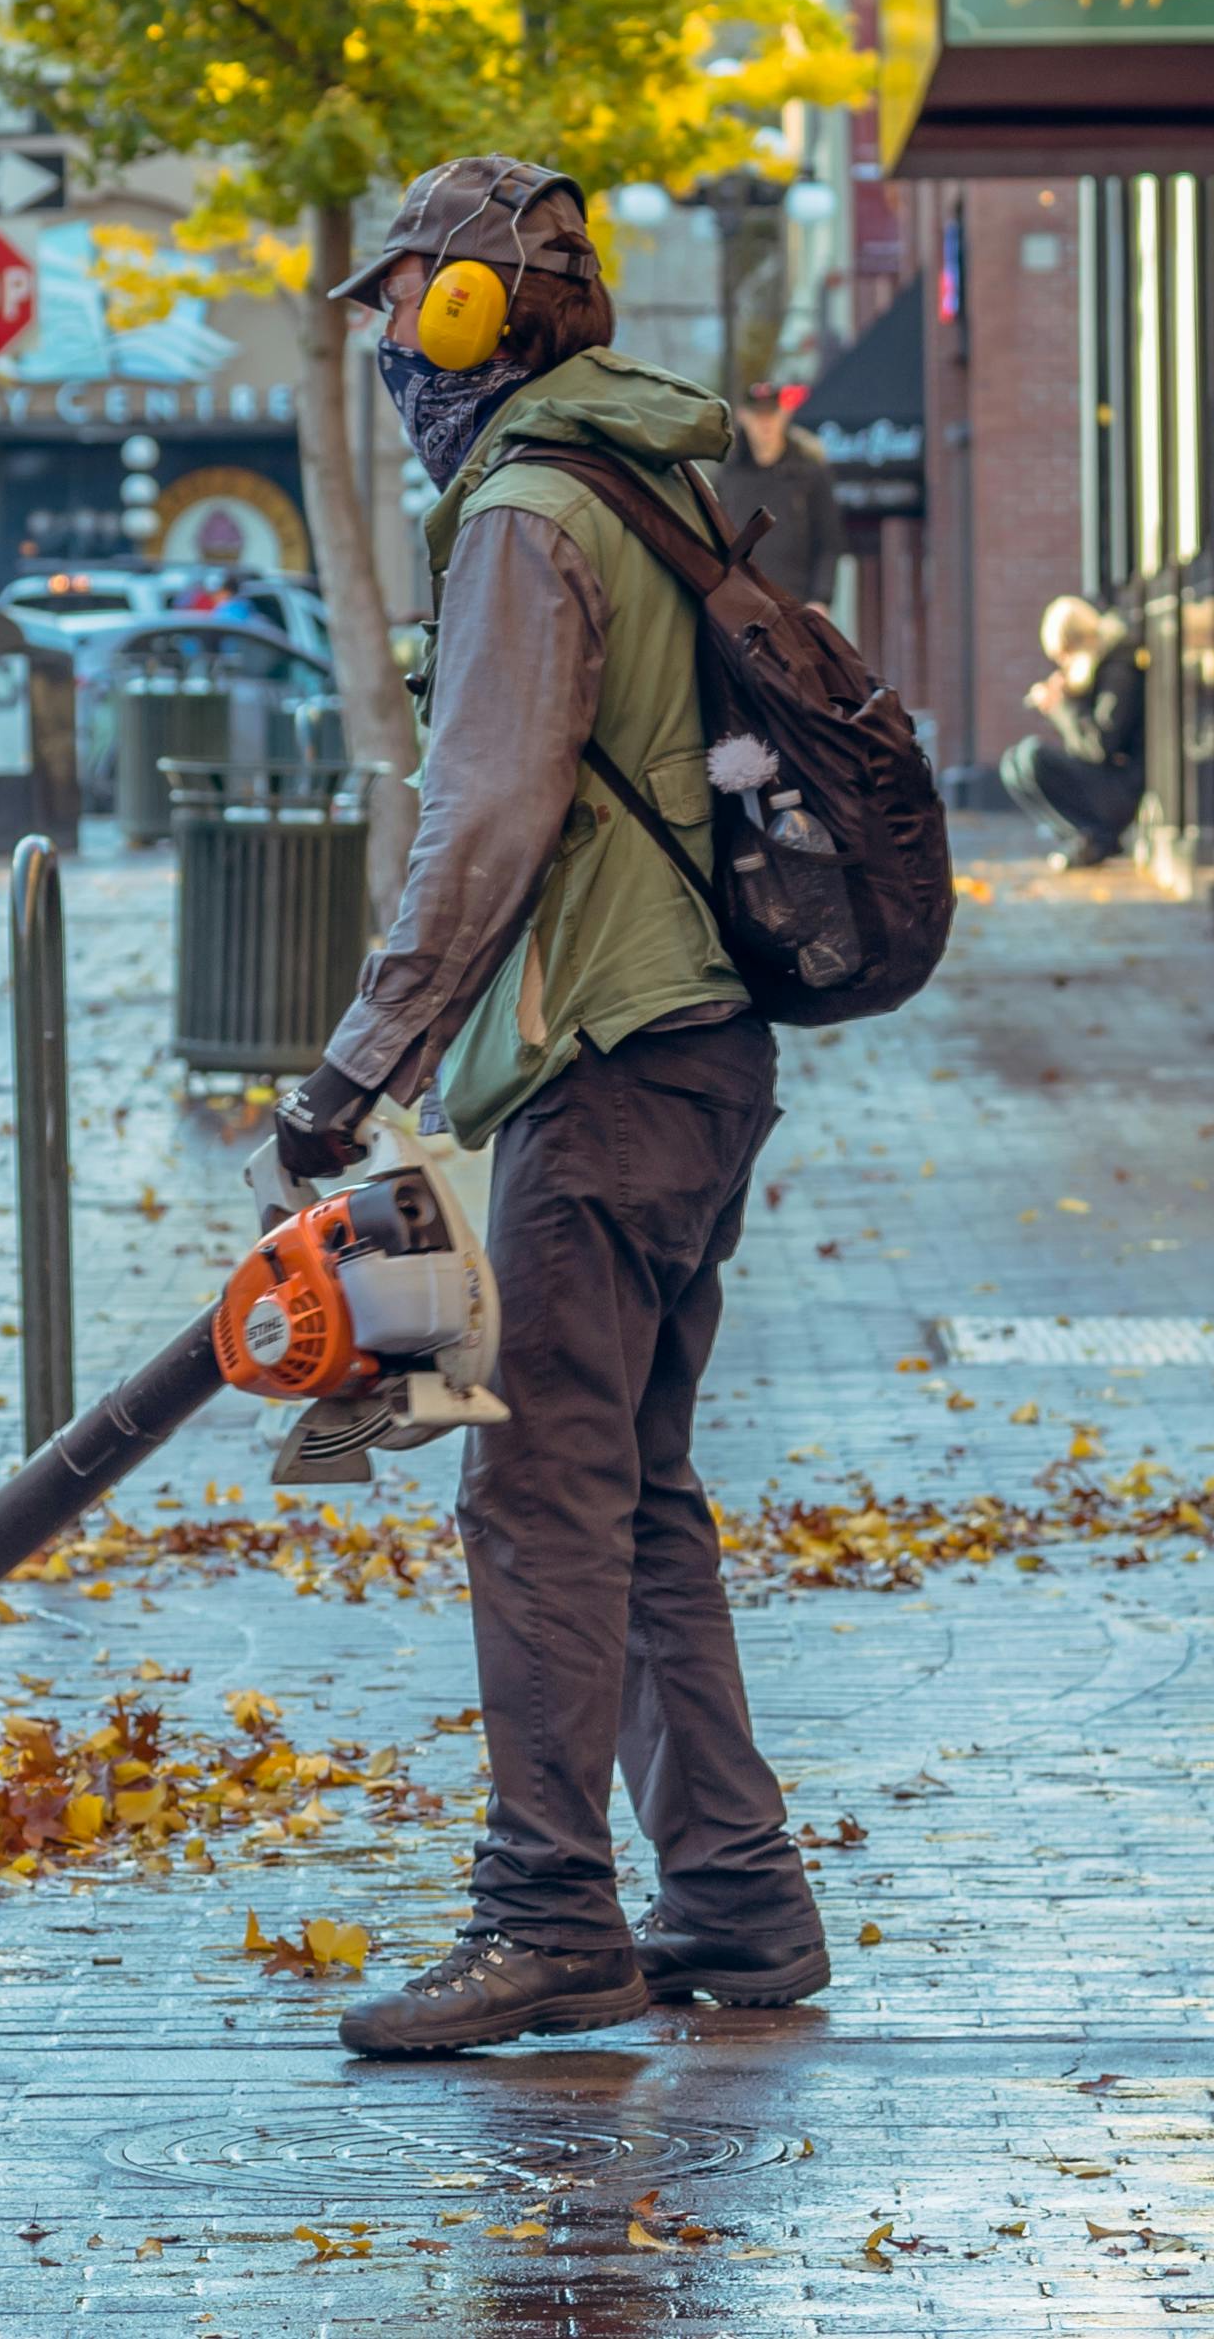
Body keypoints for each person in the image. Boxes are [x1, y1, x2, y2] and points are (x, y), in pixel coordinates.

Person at [275, 157, 828, 2055]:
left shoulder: (526, 508)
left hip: (612, 1064)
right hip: (699, 1051)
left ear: (464, 311)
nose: (384, 354)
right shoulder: (638, 471)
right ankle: (739, 1901)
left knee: (535, 1492)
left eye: (400, 308)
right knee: (632, 1482)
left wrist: (356, 1062)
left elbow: (487, 815)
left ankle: (546, 1917)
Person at [999, 595, 1144, 868]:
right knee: (1012, 762)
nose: (1063, 665)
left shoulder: (1118, 668)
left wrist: (1061, 706)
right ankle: (1084, 838)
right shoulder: (1101, 669)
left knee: (1032, 755)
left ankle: (1098, 837)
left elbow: (1100, 745)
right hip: (1112, 780)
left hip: (1125, 786)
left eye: (1064, 656)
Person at [713, 380, 846, 607]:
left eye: (771, 414)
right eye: (758, 415)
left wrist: (820, 599)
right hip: (739, 606)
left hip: (795, 606)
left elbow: (828, 543)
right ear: (744, 416)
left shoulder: (811, 473)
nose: (765, 423)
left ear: (784, 415)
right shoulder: (727, 476)